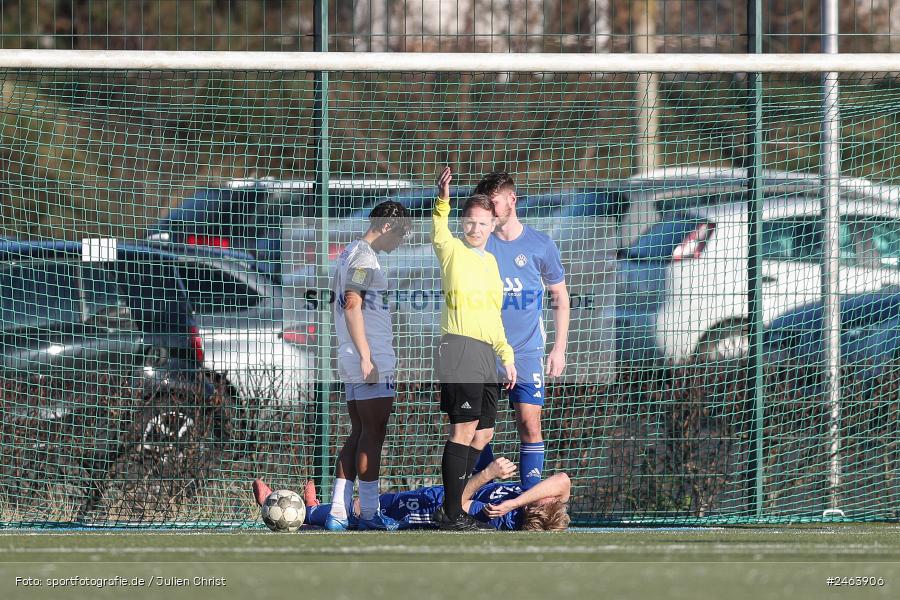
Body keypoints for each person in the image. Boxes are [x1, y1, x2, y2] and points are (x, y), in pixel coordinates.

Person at [431, 166, 517, 531]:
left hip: (486, 354)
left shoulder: (492, 262)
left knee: (483, 434)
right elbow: (439, 229)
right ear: (462, 223)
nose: (476, 229)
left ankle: (454, 507)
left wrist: (507, 357)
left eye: (483, 223)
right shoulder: (451, 249)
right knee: (462, 430)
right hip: (460, 349)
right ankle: (452, 512)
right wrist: (443, 200)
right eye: (470, 222)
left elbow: (495, 316)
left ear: (492, 226)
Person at [474, 172, 570, 491]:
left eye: (494, 202)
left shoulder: (540, 244)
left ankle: (529, 500)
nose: (489, 209)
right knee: (477, 431)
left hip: (527, 352)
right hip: (485, 352)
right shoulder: (479, 245)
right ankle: (484, 491)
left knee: (530, 424)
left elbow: (560, 296)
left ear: (512, 200)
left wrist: (559, 348)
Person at [326, 200, 411, 531]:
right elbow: (352, 304)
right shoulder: (363, 257)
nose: (401, 242)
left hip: (352, 353)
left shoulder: (351, 252)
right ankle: (370, 513)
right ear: (387, 226)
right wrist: (366, 356)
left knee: (360, 432)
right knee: (373, 433)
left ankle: (336, 512)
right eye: (401, 234)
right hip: (368, 355)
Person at [252, 458, 571, 531]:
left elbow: (457, 504)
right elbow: (563, 481)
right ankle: (314, 508)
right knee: (358, 506)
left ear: (536, 511)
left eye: (545, 500)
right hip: (424, 494)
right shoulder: (529, 497)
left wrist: (487, 475)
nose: (547, 494)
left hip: (421, 512)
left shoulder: (500, 517)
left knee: (357, 518)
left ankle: (300, 513)